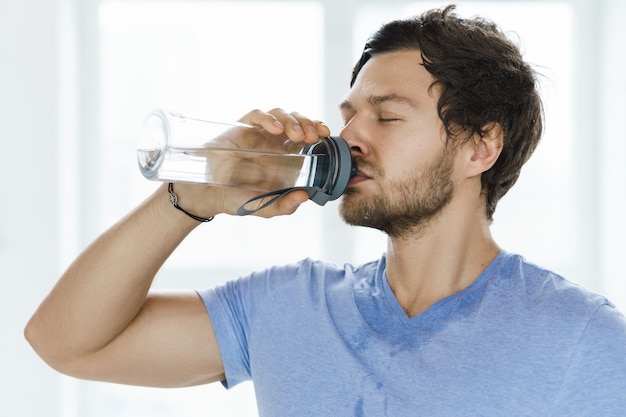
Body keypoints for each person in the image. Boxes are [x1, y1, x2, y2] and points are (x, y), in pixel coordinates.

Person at [25, 5, 626, 416]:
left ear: (481, 146)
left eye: (387, 116)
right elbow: (66, 343)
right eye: (349, 115)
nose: (349, 137)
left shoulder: (582, 340)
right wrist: (191, 198)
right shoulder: (287, 306)